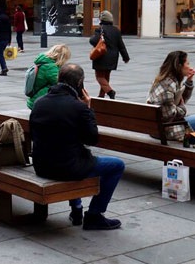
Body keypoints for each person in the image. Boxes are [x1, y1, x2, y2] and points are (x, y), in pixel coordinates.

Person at [30, 63, 125, 230]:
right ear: (80, 83)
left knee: (72, 154)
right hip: (67, 168)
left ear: (59, 79)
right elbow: (92, 138)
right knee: (117, 165)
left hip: (42, 165)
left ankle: (77, 208)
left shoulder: (39, 103)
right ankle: (94, 215)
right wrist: (88, 109)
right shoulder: (79, 107)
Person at [147, 50, 195, 134]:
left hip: (164, 127)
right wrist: (182, 107)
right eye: (187, 64)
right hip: (169, 130)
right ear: (179, 66)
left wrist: (189, 81)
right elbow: (170, 115)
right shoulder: (167, 85)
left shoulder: (170, 80)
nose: (190, 67)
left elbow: (180, 99)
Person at [89, 11, 129, 99]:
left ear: (102, 19)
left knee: (99, 76)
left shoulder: (100, 29)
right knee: (106, 76)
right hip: (113, 57)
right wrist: (125, 57)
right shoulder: (116, 30)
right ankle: (101, 95)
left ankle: (110, 91)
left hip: (102, 56)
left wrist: (92, 38)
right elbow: (121, 45)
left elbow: (94, 41)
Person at [26, 44, 72, 109]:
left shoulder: (44, 62)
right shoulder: (50, 67)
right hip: (41, 102)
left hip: (35, 99)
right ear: (62, 57)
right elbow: (60, 82)